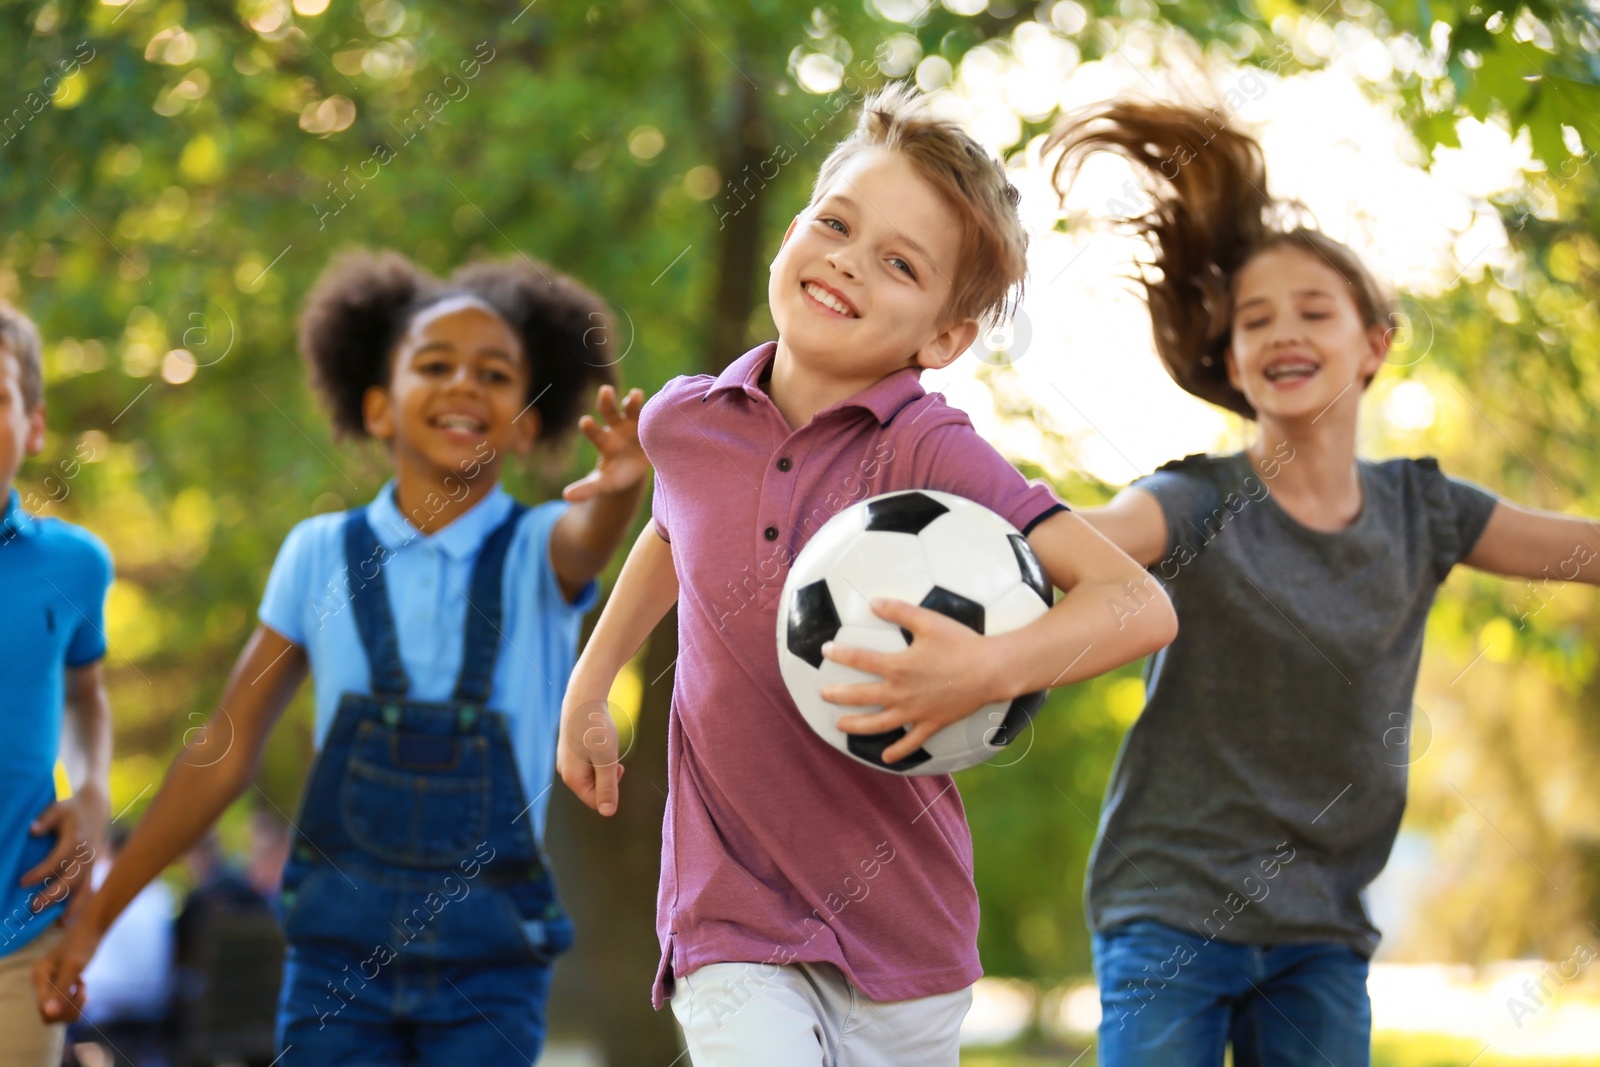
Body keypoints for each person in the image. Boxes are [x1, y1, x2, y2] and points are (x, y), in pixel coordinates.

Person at [556, 85, 1177, 1067]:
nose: (847, 258)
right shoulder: (683, 421)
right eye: (834, 222)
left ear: (941, 337)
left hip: (905, 934)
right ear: (791, 231)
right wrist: (590, 684)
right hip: (729, 919)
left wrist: (986, 669)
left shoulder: (929, 450)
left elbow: (1137, 604)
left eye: (898, 262)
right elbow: (673, 532)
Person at [1047, 102, 1600, 1065]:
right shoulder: (1191, 499)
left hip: (1322, 928)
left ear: (1375, 343)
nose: (1284, 333)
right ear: (1229, 359)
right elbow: (1070, 540)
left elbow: (1583, 550)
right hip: (1170, 910)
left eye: (1314, 310)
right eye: (1256, 319)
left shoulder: (1423, 511)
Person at [34, 251, 649, 1064]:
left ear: (528, 423)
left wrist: (620, 492)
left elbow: (591, 535)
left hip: (491, 968)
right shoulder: (320, 554)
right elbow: (221, 750)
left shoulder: (541, 551)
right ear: (379, 406)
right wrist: (98, 913)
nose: (465, 383)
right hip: (336, 967)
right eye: (434, 365)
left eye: (496, 374)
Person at [0, 301, 114, 1067]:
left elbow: (83, 696)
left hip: (18, 935)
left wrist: (96, 789)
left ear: (34, 425)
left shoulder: (76, 565)